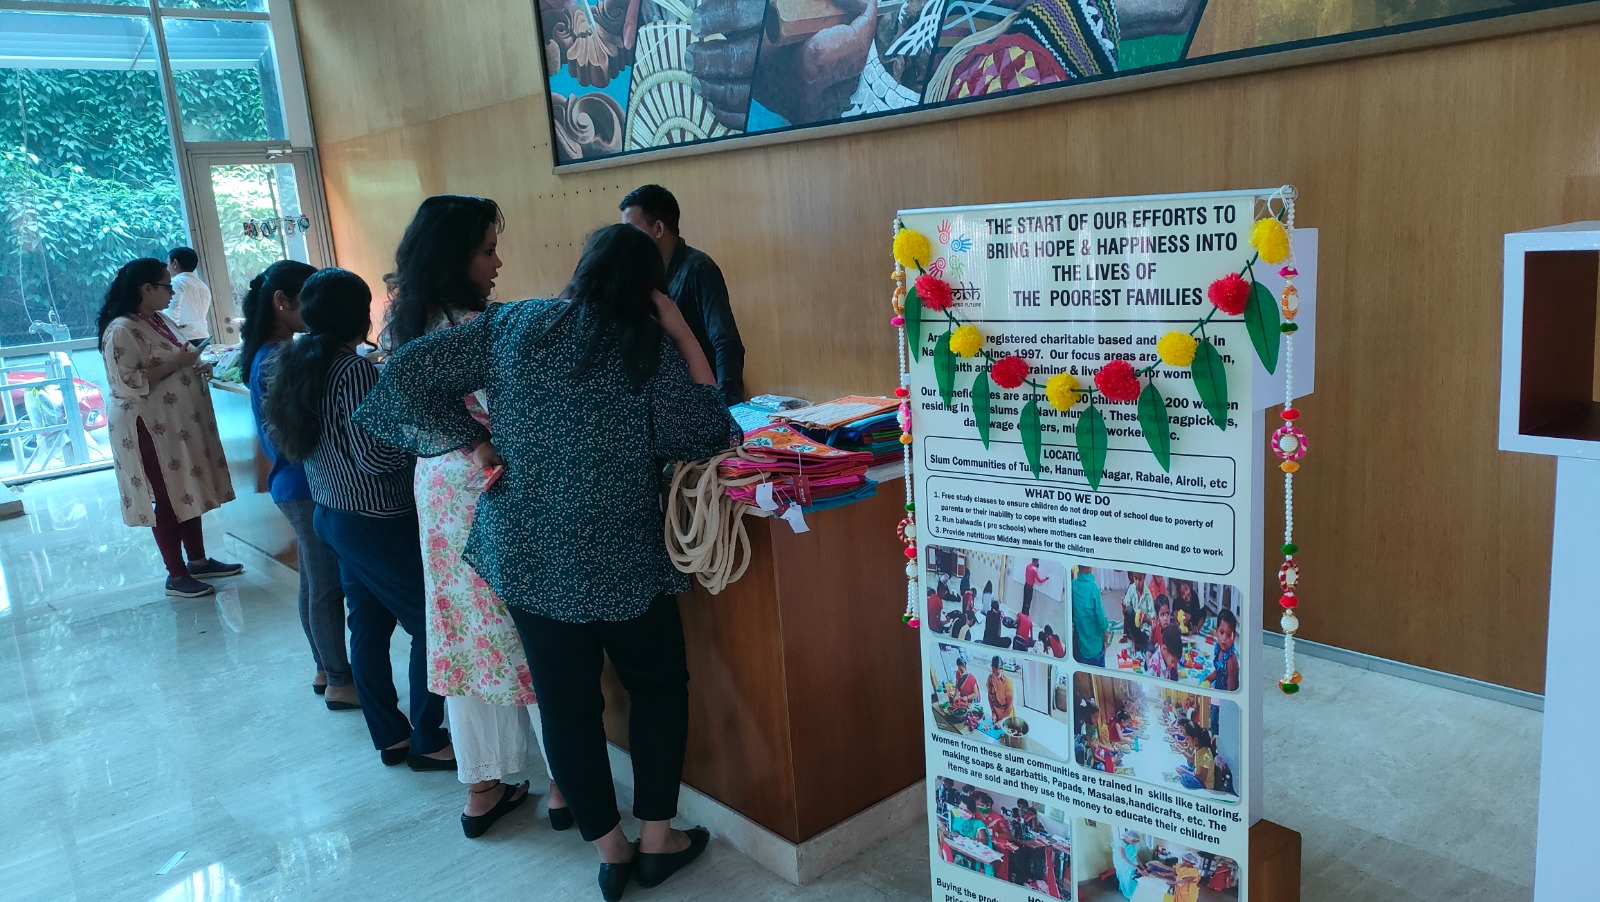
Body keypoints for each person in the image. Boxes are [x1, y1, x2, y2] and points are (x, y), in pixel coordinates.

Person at [354, 224, 738, 900]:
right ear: (650, 289)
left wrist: (476, 443)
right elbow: (711, 431)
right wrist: (681, 332)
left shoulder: (515, 323)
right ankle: (657, 840)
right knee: (657, 688)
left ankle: (610, 853)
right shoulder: (646, 345)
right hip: (623, 553)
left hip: (528, 551)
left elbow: (405, 375)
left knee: (565, 705)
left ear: (582, 269)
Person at [385, 194, 564, 838]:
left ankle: (484, 786)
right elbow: (517, 416)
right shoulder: (479, 331)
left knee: (467, 637)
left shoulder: (403, 322)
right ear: (454, 256)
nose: (497, 263)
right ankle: (565, 785)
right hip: (495, 489)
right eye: (488, 250)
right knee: (534, 632)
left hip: (438, 494)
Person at [259, 267, 452, 773]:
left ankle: (390, 735)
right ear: (359, 314)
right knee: (429, 625)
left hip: (333, 512)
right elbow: (375, 456)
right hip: (377, 519)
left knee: (368, 624)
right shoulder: (355, 371)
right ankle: (428, 738)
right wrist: (421, 442)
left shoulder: (297, 363)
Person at [240, 260, 357, 709]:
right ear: (282, 301)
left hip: (298, 482)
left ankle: (325, 668)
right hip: (303, 484)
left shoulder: (277, 351)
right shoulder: (275, 358)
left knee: (314, 579)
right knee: (325, 585)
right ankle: (339, 679)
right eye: (306, 298)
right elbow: (291, 433)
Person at [98, 258, 240, 598]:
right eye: (166, 286)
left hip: (176, 424)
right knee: (165, 496)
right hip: (148, 426)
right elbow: (126, 381)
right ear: (146, 289)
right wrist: (177, 363)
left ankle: (198, 560)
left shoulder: (160, 320)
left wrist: (200, 364)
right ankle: (175, 575)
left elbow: (181, 354)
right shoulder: (121, 329)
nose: (172, 293)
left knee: (185, 486)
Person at [620, 184, 745, 404]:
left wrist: (725, 405)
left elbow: (726, 342)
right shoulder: (638, 274)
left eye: (632, 231)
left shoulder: (699, 269)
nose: (626, 241)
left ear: (658, 228)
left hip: (699, 399)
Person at [166, 247, 213, 347]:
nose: (167, 267)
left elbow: (172, 309)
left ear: (175, 263)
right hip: (203, 337)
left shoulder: (176, 283)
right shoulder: (202, 285)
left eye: (168, 263)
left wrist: (169, 334)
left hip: (185, 339)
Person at [1070, 566, 1111, 667]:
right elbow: (1101, 618)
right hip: (1095, 647)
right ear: (1090, 567)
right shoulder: (1093, 588)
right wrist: (1106, 633)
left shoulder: (1072, 585)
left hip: (1081, 646)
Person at [1203, 609, 1240, 692]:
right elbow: (1219, 670)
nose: (1224, 638)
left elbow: (1231, 690)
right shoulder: (1219, 649)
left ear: (1234, 638)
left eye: (1228, 635)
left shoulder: (1231, 661)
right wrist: (1210, 677)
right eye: (1222, 632)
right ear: (1216, 632)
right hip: (1219, 685)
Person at [986, 656, 1015, 721]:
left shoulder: (1008, 683)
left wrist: (1001, 721)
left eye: (997, 672)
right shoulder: (990, 679)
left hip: (1007, 716)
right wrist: (993, 712)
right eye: (993, 671)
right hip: (997, 713)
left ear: (1002, 669)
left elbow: (1009, 706)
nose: (995, 674)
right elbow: (990, 696)